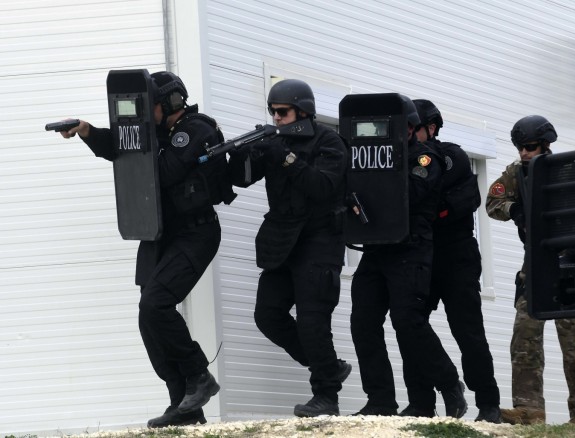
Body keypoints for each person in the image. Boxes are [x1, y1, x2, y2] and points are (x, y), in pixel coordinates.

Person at [61, 71, 236, 428]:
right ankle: (184, 406)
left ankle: (199, 375)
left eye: (152, 104)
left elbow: (165, 170)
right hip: (160, 233)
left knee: (156, 304)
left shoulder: (196, 128)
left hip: (196, 233)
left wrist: (135, 143)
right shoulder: (155, 133)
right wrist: (88, 132)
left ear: (170, 102)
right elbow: (124, 148)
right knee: (148, 317)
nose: (146, 111)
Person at [227, 78, 351, 417]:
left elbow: (323, 186)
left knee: (313, 321)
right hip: (283, 242)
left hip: (320, 240)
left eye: (282, 112)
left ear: (302, 110)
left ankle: (327, 396)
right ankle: (327, 367)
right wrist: (242, 156)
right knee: (267, 316)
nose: (277, 118)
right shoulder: (276, 142)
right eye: (273, 112)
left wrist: (285, 157)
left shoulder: (330, 142)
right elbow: (243, 178)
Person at [350, 95, 467, 418]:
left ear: (412, 128)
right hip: (376, 249)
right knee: (362, 322)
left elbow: (411, 193)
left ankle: (448, 382)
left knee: (408, 322)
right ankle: (380, 400)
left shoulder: (425, 159)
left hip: (410, 249)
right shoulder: (372, 159)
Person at [486, 115, 575, 425]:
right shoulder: (516, 173)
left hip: (572, 264)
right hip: (535, 264)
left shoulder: (569, 169)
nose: (523, 153)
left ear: (546, 146)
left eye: (530, 147)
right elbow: (493, 202)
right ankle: (528, 410)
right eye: (520, 147)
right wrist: (515, 209)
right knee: (525, 339)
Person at [412, 99, 501, 423]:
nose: (408, 133)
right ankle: (421, 402)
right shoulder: (405, 160)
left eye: (414, 127)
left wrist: (429, 210)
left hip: (456, 255)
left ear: (431, 128)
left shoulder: (453, 157)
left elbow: (466, 201)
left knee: (468, 331)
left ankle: (488, 405)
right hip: (421, 254)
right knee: (412, 325)